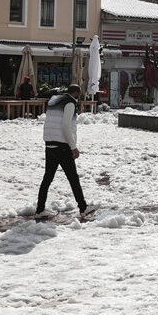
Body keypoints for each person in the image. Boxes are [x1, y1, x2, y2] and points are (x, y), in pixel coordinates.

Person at [36, 84, 90, 217]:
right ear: (76, 93)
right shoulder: (70, 103)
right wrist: (73, 146)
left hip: (49, 144)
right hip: (62, 146)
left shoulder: (54, 101)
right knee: (73, 178)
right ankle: (83, 208)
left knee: (47, 179)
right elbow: (66, 125)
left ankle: (39, 210)